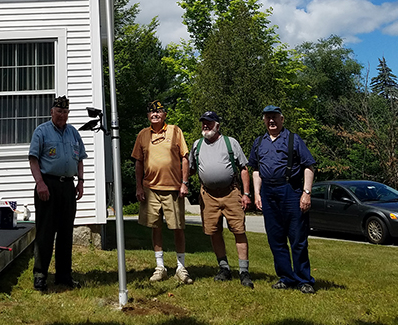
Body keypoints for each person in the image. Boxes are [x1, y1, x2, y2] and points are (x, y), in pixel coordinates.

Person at [249, 105, 316, 294]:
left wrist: (306, 193)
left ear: (282, 119)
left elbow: (309, 166)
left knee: (297, 238)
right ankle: (286, 277)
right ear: (263, 120)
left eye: (275, 117)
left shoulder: (293, 140)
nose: (271, 121)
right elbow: (255, 169)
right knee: (275, 238)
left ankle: (304, 280)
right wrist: (257, 194)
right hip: (268, 192)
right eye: (268, 117)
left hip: (290, 190)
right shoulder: (259, 142)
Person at [189, 111, 254, 288]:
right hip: (208, 195)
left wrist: (246, 194)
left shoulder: (230, 142)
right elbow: (190, 169)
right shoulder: (197, 145)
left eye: (209, 123)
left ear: (217, 125)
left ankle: (244, 271)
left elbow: (243, 169)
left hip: (231, 192)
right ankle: (223, 268)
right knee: (214, 231)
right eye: (203, 122)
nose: (205, 126)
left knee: (239, 230)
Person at [28, 95, 87, 291]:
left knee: (65, 232)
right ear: (52, 112)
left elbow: (79, 159)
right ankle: (40, 275)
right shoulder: (41, 132)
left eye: (65, 112)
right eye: (59, 111)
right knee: (45, 232)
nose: (62, 115)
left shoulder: (73, 133)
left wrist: (81, 182)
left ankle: (64, 276)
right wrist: (40, 184)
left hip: (68, 187)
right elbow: (34, 160)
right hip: (48, 186)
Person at [132, 100, 193, 284]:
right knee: (155, 227)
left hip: (173, 188)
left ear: (165, 114)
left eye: (158, 111)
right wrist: (139, 186)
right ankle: (160, 267)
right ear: (148, 116)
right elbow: (138, 163)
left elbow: (184, 158)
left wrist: (184, 183)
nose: (155, 114)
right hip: (150, 188)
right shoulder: (143, 135)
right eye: (151, 112)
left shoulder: (175, 131)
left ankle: (181, 267)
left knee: (177, 227)